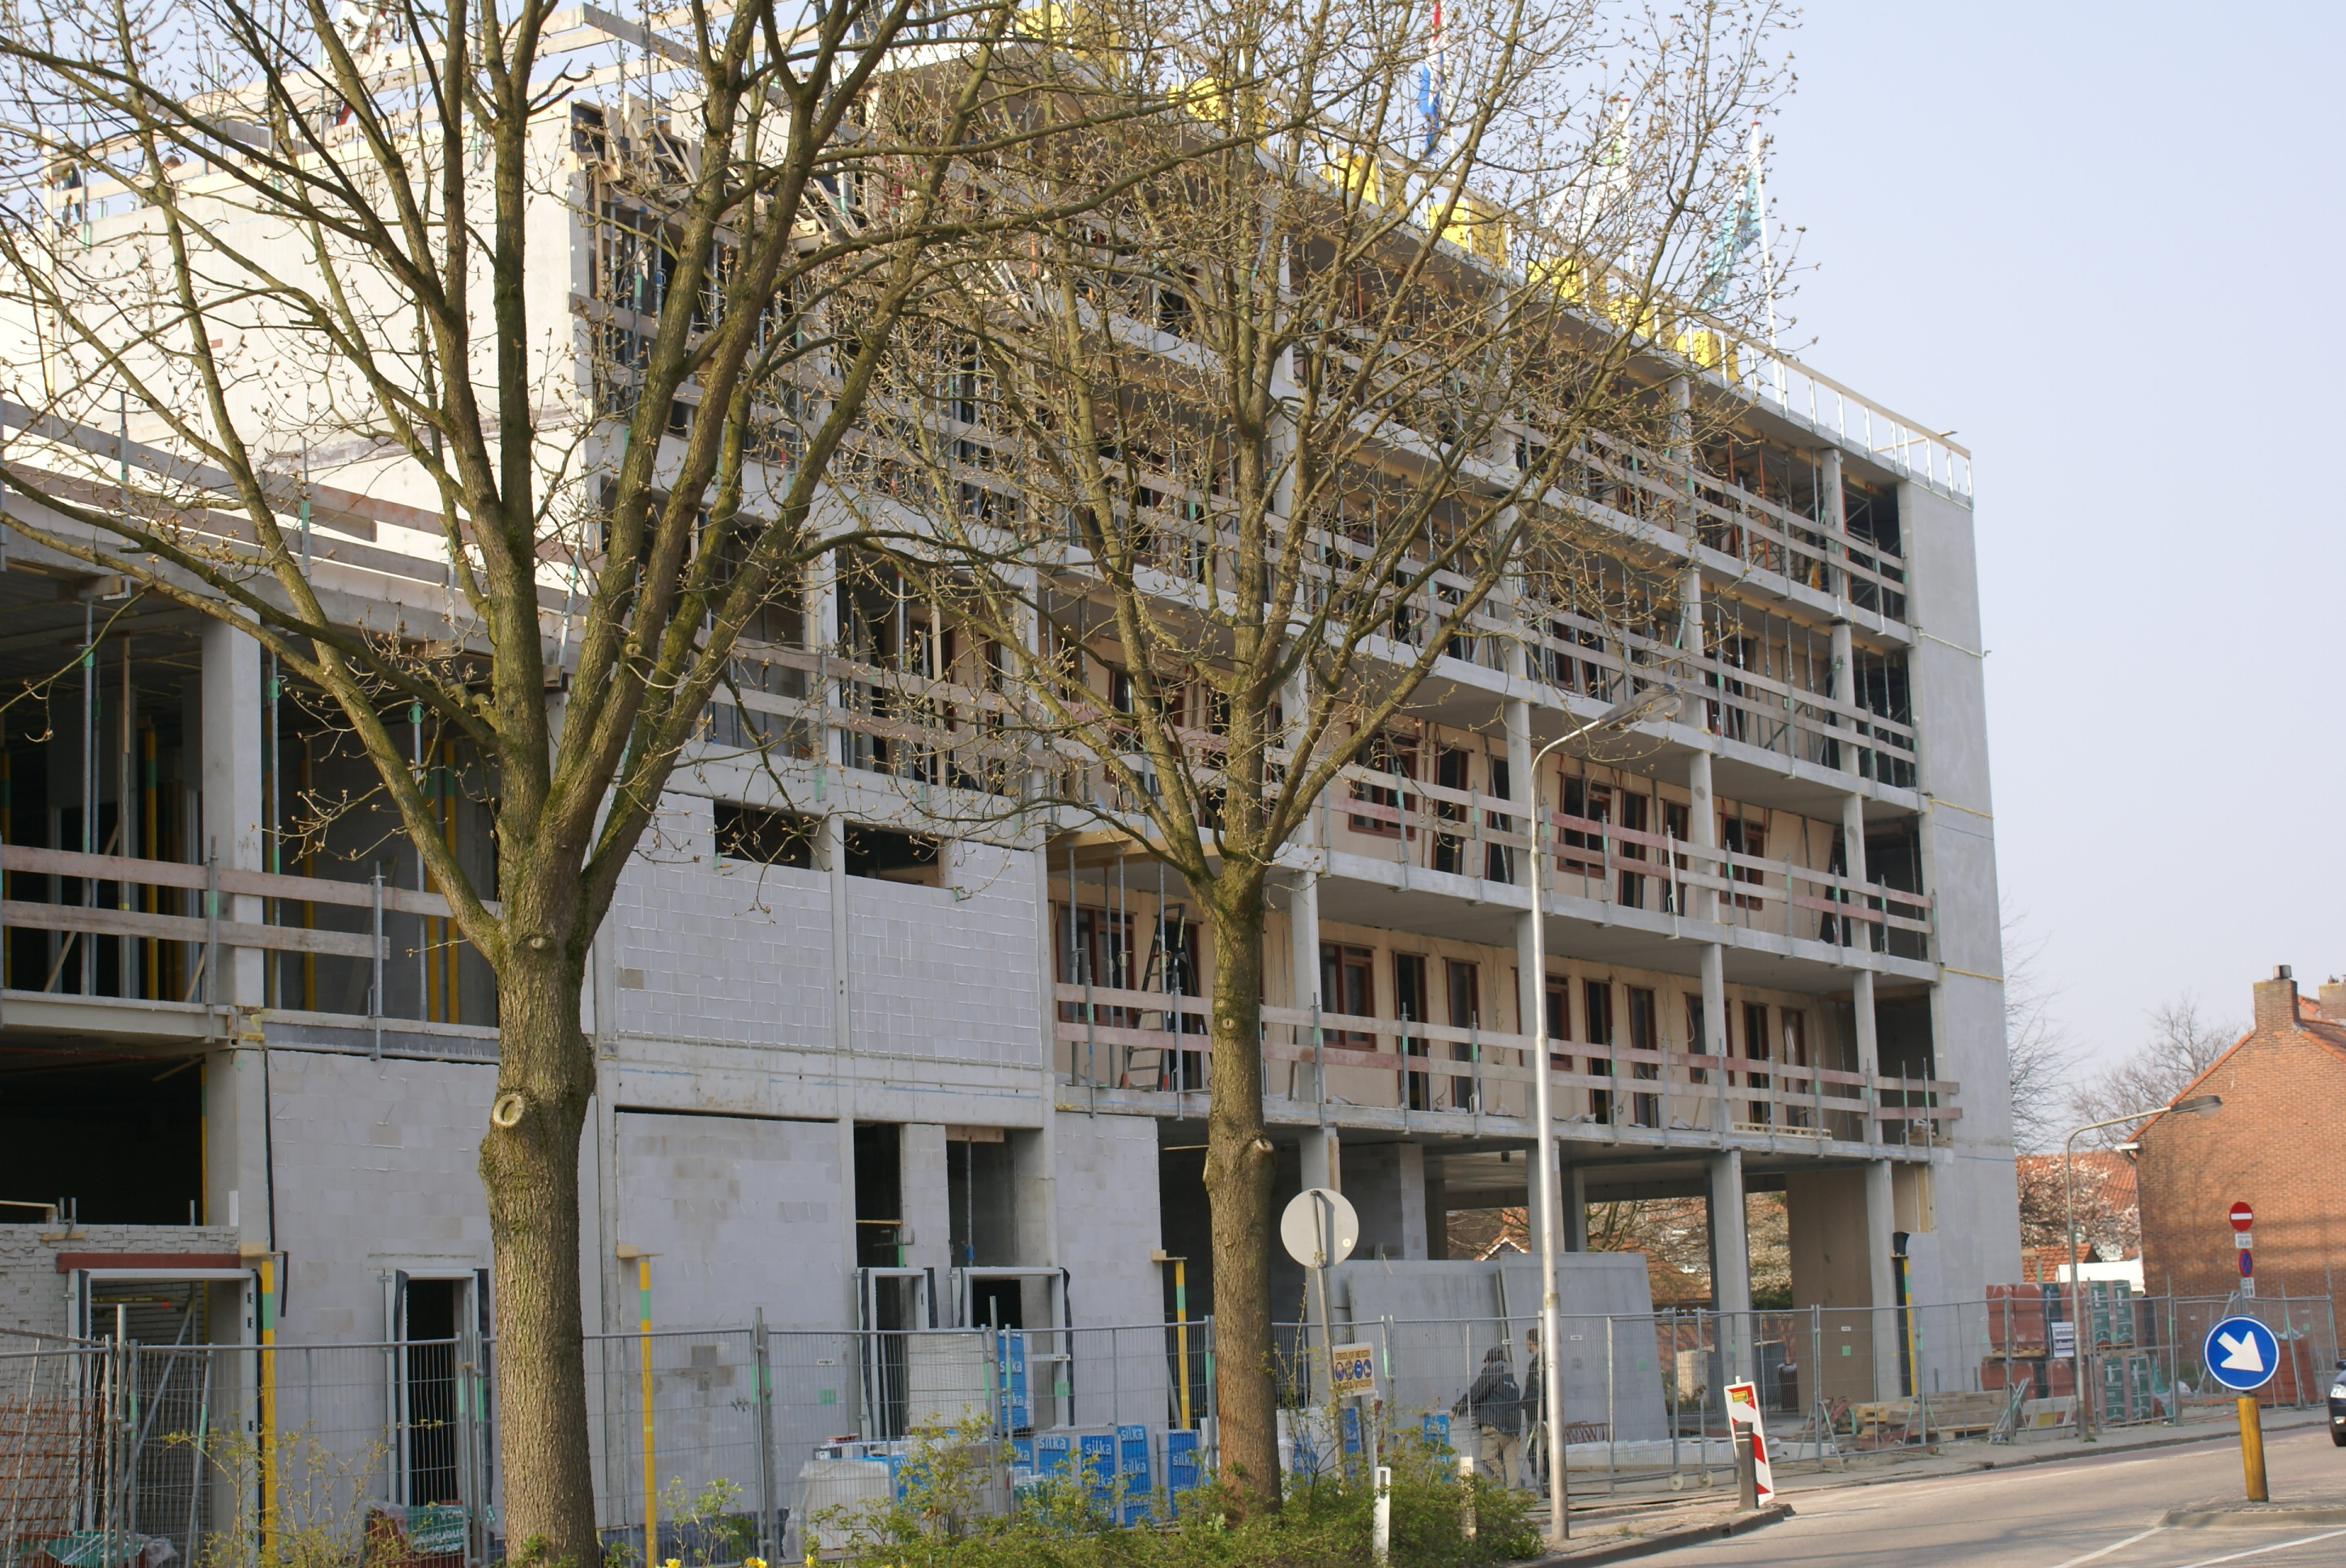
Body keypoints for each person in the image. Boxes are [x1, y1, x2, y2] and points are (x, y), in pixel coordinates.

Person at [1453, 1344, 1525, 1489]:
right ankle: (1514, 1493)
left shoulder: (1492, 1373)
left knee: (1487, 1457)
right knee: (1511, 1461)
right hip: (1512, 1429)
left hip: (1494, 1426)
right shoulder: (1511, 1380)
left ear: (1490, 1361)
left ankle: (1502, 1481)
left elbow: (1476, 1393)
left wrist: (1457, 1409)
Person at [1522, 1326, 1546, 1493]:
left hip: (1537, 1412)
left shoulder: (1538, 1363)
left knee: (1534, 1450)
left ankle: (1540, 1484)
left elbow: (1535, 1388)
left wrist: (1524, 1402)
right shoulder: (1546, 1360)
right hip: (1545, 1411)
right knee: (1544, 1449)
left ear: (1531, 1342)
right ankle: (1545, 1483)